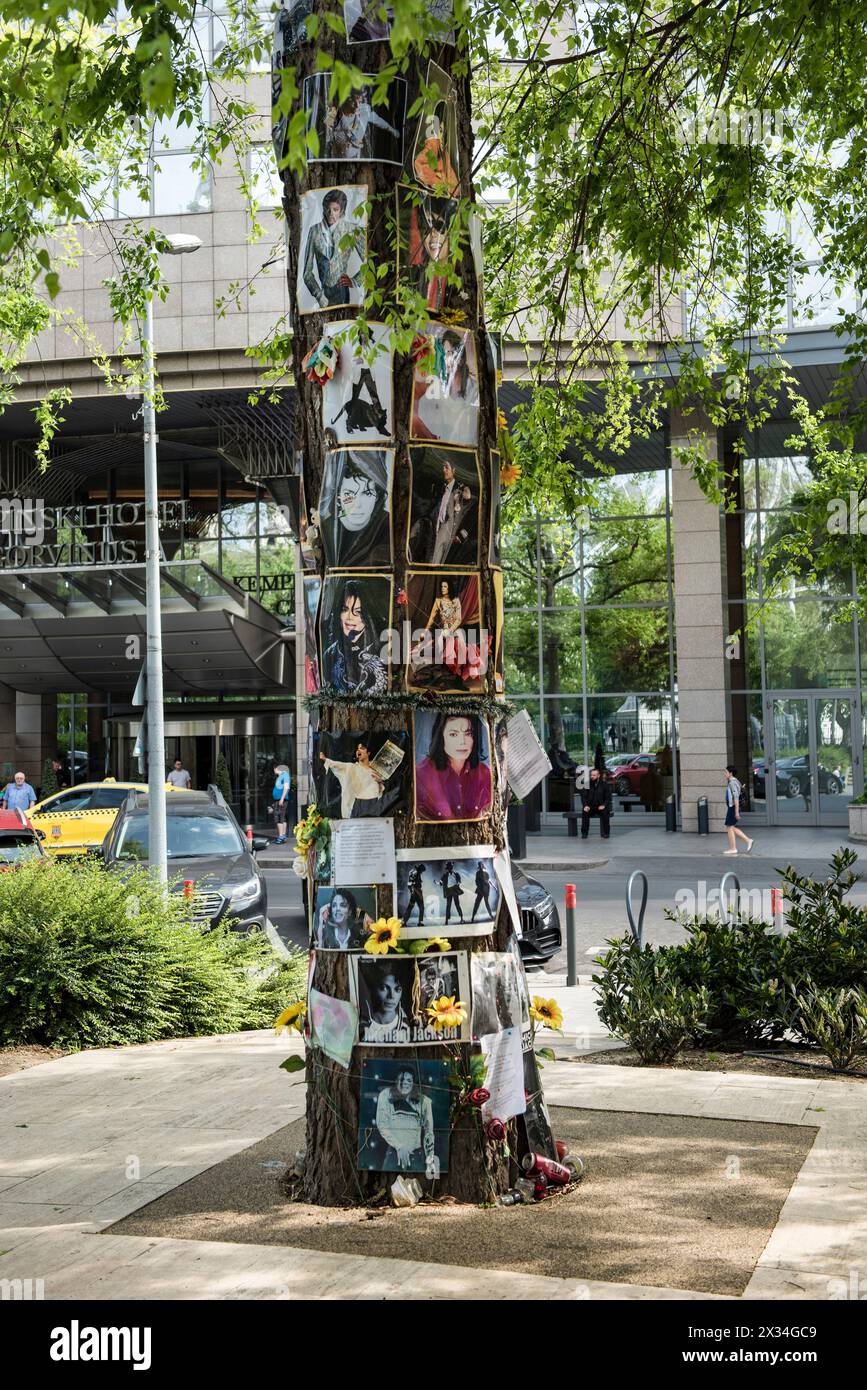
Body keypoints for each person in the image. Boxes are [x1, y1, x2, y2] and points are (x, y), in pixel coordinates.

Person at [318, 450, 390, 567]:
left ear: (377, 496)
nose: (358, 504)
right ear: (338, 498)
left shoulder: (387, 525)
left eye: (367, 493)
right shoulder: (327, 529)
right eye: (349, 495)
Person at [415, 713, 491, 821]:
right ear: (441, 737)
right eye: (453, 734)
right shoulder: (422, 774)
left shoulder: (484, 773)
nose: (462, 742)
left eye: (468, 734)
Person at [321, 578, 388, 693]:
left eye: (357, 612)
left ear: (368, 615)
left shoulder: (384, 648)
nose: (349, 617)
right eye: (345, 610)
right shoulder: (330, 654)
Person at [301, 188, 365, 309]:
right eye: (328, 209)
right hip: (323, 293)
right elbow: (307, 273)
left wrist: (355, 281)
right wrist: (319, 296)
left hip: (342, 292)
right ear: (324, 209)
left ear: (342, 211)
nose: (331, 213)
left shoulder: (351, 229)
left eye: (335, 210)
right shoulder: (314, 231)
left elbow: (370, 260)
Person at [374, 1067, 437, 1174]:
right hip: (394, 1153)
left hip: (416, 1155)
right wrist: (399, 1146)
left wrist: (430, 1157)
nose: (404, 1083)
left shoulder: (424, 1102)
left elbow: (429, 1132)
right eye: (401, 1079)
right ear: (396, 1081)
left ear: (414, 1083)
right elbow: (382, 1125)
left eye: (409, 1080)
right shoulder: (386, 1095)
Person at [404, 197, 456, 313]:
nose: (432, 235)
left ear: (451, 232)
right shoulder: (417, 279)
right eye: (427, 228)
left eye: (438, 226)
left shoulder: (457, 282)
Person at [325, 88, 399, 161]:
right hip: (337, 156)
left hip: (355, 157)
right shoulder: (336, 113)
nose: (357, 105)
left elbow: (378, 121)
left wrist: (392, 130)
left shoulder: (364, 110)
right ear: (347, 100)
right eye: (354, 102)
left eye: (359, 102)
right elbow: (326, 131)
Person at [319, 739, 385, 818]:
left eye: (362, 748)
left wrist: (380, 781)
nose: (359, 750)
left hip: (373, 804)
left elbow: (381, 791)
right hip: (359, 805)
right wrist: (325, 759)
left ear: (368, 753)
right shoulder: (351, 767)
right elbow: (338, 765)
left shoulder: (375, 771)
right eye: (357, 749)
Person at [360, 961, 412, 1043]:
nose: (391, 996)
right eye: (384, 988)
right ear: (373, 990)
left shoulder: (409, 1025)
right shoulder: (363, 1025)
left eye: (397, 989)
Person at [723, 764, 754, 856]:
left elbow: (736, 797)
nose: (724, 774)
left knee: (729, 827)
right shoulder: (734, 781)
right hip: (732, 807)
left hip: (733, 807)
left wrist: (736, 811)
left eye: (726, 772)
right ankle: (745, 842)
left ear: (730, 773)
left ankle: (736, 846)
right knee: (731, 827)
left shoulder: (732, 783)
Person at [581, 766, 612, 839]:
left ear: (598, 776)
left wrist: (604, 805)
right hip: (590, 806)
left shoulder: (604, 785)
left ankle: (606, 833)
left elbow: (608, 798)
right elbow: (583, 797)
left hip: (600, 806)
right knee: (585, 812)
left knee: (605, 813)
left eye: (594, 775)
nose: (592, 776)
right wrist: (585, 805)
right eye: (591, 775)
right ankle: (584, 833)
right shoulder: (587, 784)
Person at [438, 860, 463, 924]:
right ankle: (446, 920)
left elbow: (459, 881)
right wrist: (437, 883)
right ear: (447, 869)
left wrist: (458, 883)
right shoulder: (445, 875)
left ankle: (461, 918)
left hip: (454, 890)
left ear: (452, 868)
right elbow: (440, 882)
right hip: (449, 891)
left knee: (457, 904)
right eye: (448, 868)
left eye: (450, 868)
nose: (449, 869)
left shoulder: (456, 874)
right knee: (448, 905)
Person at [272, 763, 292, 844]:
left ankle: (281, 837)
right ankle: (282, 836)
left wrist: (282, 799)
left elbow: (286, 787)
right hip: (279, 799)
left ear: (277, 768)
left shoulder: (285, 775)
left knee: (279, 817)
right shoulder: (282, 776)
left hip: (281, 800)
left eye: (274, 768)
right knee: (282, 817)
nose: (274, 770)